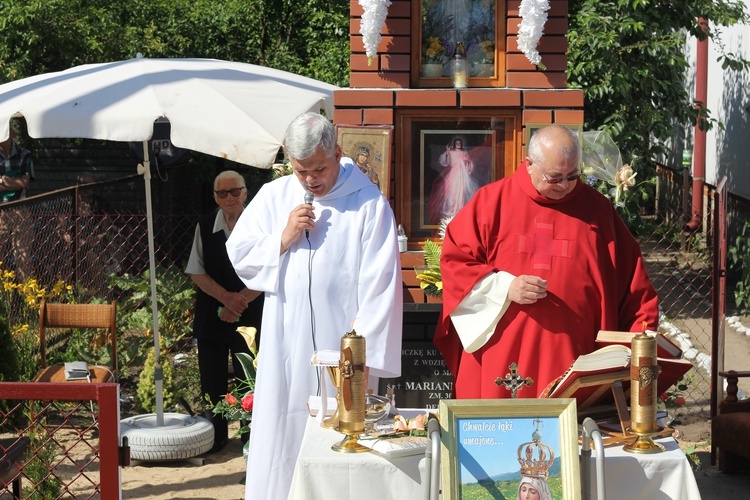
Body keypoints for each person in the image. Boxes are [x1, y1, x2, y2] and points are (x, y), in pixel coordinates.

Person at [225, 112, 403, 499]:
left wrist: (358, 352)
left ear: (338, 153)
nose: (310, 180)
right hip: (284, 344)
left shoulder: (368, 204)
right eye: (300, 170)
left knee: (338, 437)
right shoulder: (275, 196)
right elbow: (239, 255)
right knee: (281, 430)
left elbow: (381, 282)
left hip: (341, 347)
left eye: (319, 169)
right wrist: (284, 237)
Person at [434, 125, 658, 399]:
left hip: (576, 357)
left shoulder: (598, 211)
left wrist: (641, 345)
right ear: (529, 165)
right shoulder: (492, 202)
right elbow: (456, 264)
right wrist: (505, 287)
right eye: (555, 177)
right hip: (502, 357)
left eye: (572, 176)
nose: (564, 186)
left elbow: (633, 285)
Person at [185, 170, 264, 453]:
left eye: (234, 191)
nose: (229, 197)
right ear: (215, 196)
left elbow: (271, 268)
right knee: (211, 379)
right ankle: (215, 438)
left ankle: (249, 437)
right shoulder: (205, 226)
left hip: (252, 314)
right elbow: (196, 271)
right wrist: (226, 299)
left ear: (245, 192)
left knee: (249, 376)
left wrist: (239, 301)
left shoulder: (261, 224)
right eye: (222, 193)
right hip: (212, 313)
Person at [428, 137, 479, 224]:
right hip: (454, 174)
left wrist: (467, 161)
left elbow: (469, 165)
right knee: (452, 191)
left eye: (459, 143)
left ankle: (460, 209)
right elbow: (444, 162)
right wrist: (447, 153)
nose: (458, 145)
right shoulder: (451, 152)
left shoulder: (464, 153)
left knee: (461, 192)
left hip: (462, 175)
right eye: (457, 143)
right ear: (454, 144)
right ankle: (452, 209)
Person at [0, 127, 34, 203]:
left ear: (12, 134)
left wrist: (3, 182)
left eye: (4, 133)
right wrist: (4, 181)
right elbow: (20, 183)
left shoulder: (24, 154)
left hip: (19, 209)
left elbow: (24, 182)